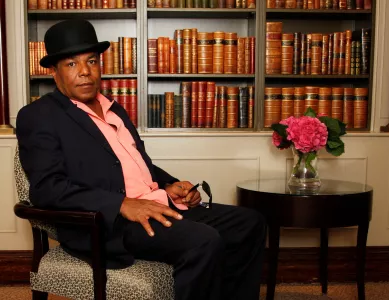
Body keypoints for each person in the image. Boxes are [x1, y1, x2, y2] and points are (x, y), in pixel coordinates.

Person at [16, 19, 266, 300]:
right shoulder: (39, 116)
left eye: (92, 61)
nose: (85, 72)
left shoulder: (114, 108)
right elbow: (47, 189)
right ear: (54, 72)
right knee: (202, 241)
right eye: (71, 64)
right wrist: (122, 205)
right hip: (108, 223)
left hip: (154, 202)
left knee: (250, 222)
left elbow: (134, 162)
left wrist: (170, 184)